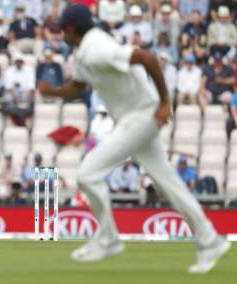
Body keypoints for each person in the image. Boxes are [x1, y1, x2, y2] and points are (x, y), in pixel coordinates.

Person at [38, 4, 230, 274]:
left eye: (62, 29)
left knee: (87, 174)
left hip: (143, 115)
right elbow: (78, 86)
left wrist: (165, 102)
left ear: (70, 29)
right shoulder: (84, 51)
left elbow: (146, 57)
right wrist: (53, 92)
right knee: (168, 183)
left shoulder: (97, 47)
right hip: (135, 117)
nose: (60, 34)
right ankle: (210, 240)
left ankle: (108, 238)